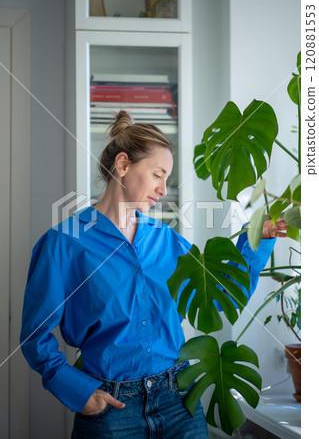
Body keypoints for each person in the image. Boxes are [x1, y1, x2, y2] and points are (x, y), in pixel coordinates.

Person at [20, 111, 287, 438]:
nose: (162, 189)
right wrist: (78, 391)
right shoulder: (63, 244)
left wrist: (258, 241)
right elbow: (36, 335)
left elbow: (221, 298)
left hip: (180, 402)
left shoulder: (169, 241)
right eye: (157, 175)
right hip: (111, 411)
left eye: (167, 179)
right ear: (123, 165)